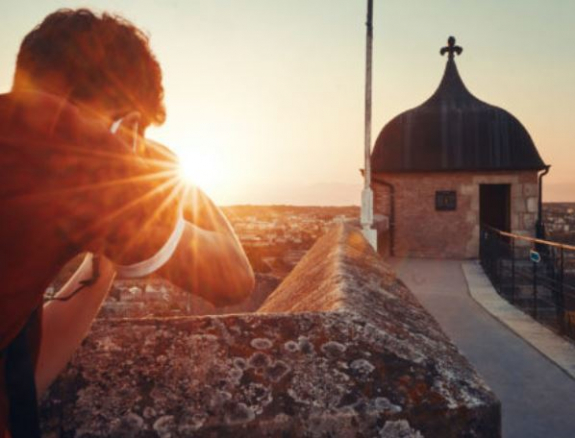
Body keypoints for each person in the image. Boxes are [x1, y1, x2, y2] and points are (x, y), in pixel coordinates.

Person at [0, 8, 254, 437]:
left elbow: (25, 373)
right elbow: (233, 277)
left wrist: (105, 256)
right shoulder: (75, 145)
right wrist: (171, 175)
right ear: (129, 125)